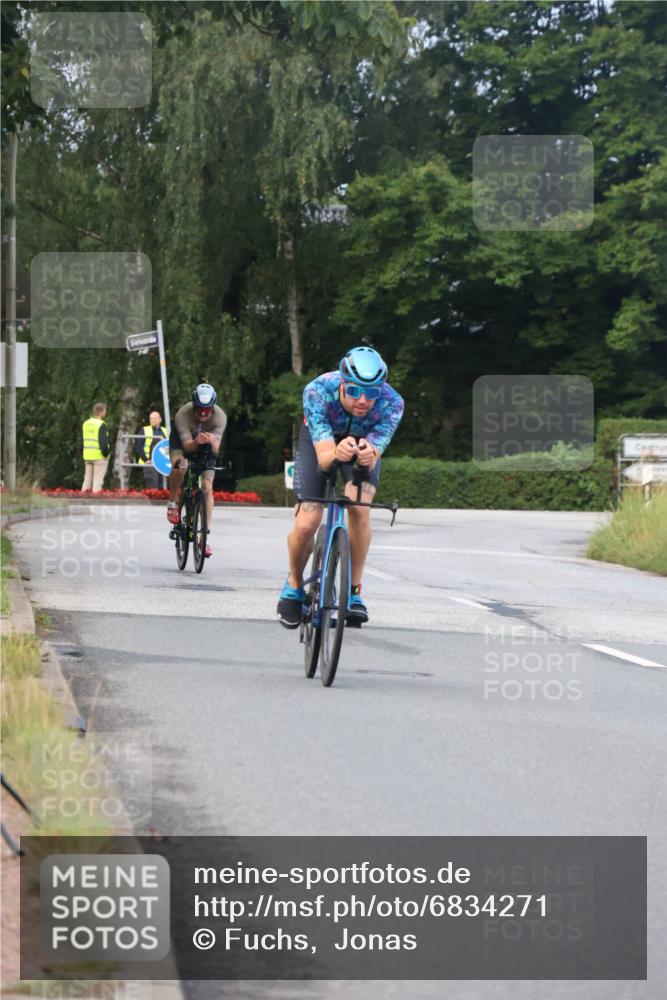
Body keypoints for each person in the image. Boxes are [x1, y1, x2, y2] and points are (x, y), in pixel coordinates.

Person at [277, 346, 404, 629]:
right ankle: (294, 583)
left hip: (361, 445)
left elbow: (373, 457)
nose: (363, 400)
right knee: (308, 521)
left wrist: (368, 455)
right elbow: (324, 458)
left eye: (371, 393)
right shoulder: (317, 391)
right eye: (356, 391)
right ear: (343, 383)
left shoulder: (392, 403)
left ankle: (354, 591)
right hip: (321, 443)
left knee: (359, 509)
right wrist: (336, 451)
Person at [166, 383, 227, 558]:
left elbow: (216, 451)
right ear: (193, 405)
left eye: (206, 410)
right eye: (199, 408)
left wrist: (212, 442)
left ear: (212, 409)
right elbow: (187, 447)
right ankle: (173, 502)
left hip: (206, 447)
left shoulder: (220, 418)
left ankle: (204, 538)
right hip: (184, 443)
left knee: (207, 487)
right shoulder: (182, 415)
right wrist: (197, 441)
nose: (202, 413)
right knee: (180, 466)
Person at [81, 402, 110, 494]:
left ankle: (83, 498)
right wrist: (106, 454)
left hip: (87, 456)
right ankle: (95, 499)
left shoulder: (86, 423)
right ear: (102, 412)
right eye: (105, 410)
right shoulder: (101, 424)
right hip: (99, 456)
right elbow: (103, 442)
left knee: (87, 479)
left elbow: (82, 440)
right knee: (97, 481)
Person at [136, 410, 167, 488]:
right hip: (149, 462)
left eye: (155, 418)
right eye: (151, 418)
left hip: (162, 462)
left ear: (160, 419)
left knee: (162, 484)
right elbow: (139, 446)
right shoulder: (144, 430)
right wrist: (145, 460)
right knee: (152, 484)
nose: (153, 420)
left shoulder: (165, 430)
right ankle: (152, 499)